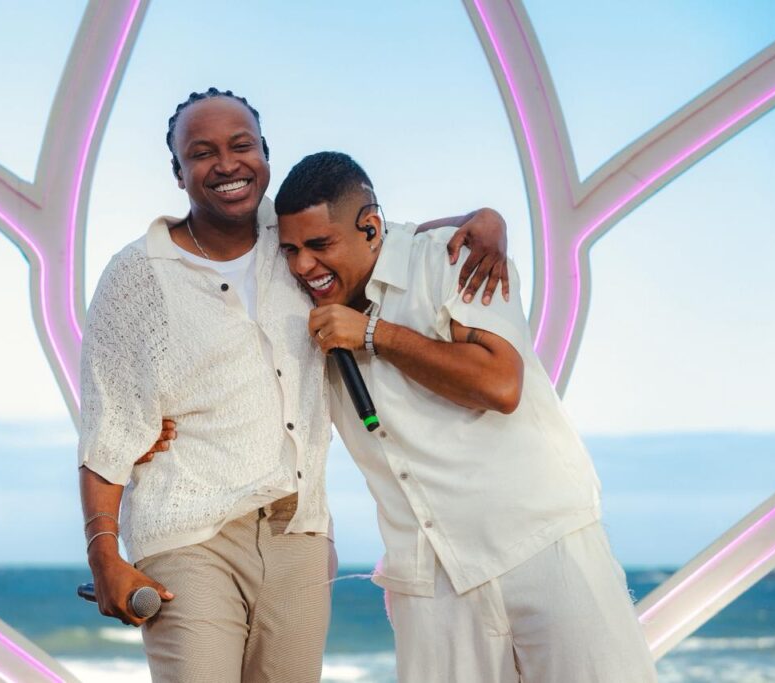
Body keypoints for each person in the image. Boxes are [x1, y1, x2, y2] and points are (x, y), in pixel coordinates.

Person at [77, 89, 510, 683]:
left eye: (241, 146)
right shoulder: (137, 275)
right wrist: (103, 554)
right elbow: (109, 428)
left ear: (265, 155)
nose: (226, 164)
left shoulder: (295, 241)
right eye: (201, 153)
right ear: (178, 173)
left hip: (300, 531)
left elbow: (373, 236)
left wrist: (481, 220)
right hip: (188, 532)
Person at [275, 151, 658, 683]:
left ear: (371, 228)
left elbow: (500, 385)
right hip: (426, 578)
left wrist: (374, 335)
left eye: (320, 245)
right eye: (290, 250)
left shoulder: (454, 259)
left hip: (542, 543)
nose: (302, 266)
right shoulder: (295, 298)